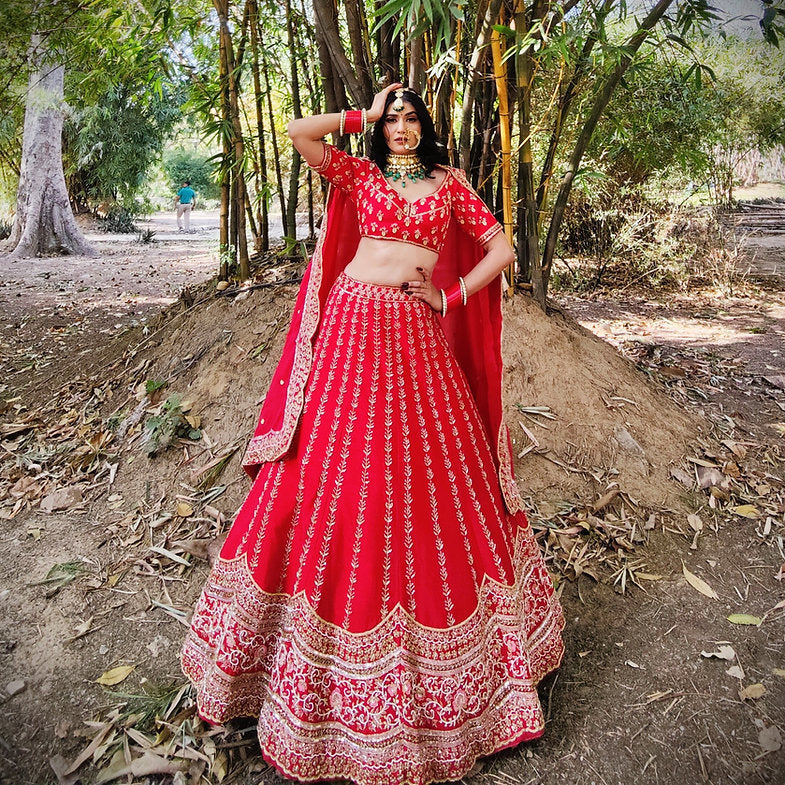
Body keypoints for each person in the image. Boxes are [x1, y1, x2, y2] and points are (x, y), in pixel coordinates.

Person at [181, 82, 564, 785]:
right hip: (352, 329)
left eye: (411, 118)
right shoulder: (360, 172)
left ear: (426, 127)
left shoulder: (449, 184)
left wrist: (449, 294)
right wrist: (363, 110)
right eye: (392, 121)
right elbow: (299, 130)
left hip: (416, 335)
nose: (402, 129)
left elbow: (501, 248)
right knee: (334, 473)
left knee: (428, 478)